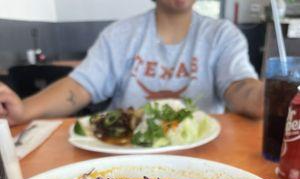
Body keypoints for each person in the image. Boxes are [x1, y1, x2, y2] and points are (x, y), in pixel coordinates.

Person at [0, 0, 264, 126]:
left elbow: (239, 89)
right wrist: (23, 110)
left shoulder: (223, 35)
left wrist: (268, 95)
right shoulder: (120, 34)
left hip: (203, 155)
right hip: (124, 152)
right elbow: (80, 87)